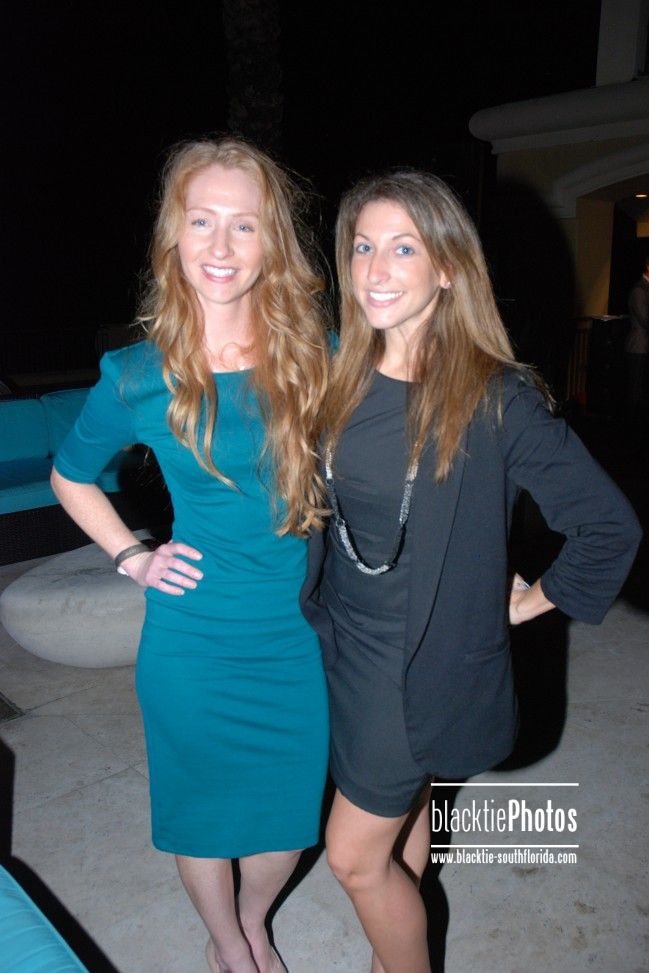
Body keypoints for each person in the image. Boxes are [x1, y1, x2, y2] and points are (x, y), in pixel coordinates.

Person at [300, 170, 642, 973]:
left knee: (352, 856)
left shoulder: (493, 400)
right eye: (363, 247)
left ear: (448, 266)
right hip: (344, 639)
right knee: (404, 815)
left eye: (403, 248)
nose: (375, 268)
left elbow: (608, 527)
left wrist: (525, 603)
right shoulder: (337, 373)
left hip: (419, 663)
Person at [51, 137, 330, 973]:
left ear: (272, 241)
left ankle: (253, 916)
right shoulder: (138, 374)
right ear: (173, 235)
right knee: (201, 817)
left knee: (289, 821)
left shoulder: (319, 354)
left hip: (300, 631)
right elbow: (70, 474)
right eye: (201, 221)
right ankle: (229, 944)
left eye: (243, 224)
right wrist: (132, 556)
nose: (220, 245)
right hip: (193, 634)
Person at [625, 252, 649, 423]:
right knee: (636, 390)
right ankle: (631, 427)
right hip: (639, 347)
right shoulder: (639, 290)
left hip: (647, 347)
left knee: (644, 391)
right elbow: (646, 319)